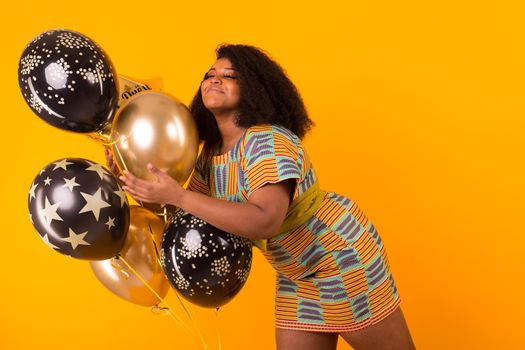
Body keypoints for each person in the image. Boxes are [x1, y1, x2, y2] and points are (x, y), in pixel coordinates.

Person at [107, 44, 415, 350]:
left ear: (255, 88)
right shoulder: (212, 153)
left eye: (230, 76)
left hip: (339, 256)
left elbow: (265, 220)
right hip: (295, 271)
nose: (215, 79)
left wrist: (179, 196)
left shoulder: (266, 141)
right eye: (210, 74)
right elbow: (184, 216)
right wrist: (130, 180)